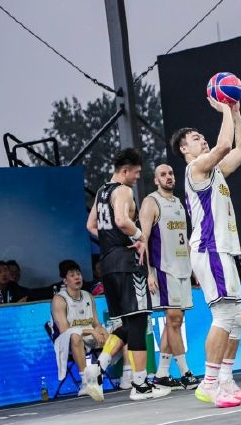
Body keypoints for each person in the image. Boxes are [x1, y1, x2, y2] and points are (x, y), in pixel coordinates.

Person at [171, 97, 241, 408]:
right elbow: (224, 144)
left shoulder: (215, 171)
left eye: (202, 136)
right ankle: (208, 383)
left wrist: (236, 114)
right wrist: (225, 110)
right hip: (209, 248)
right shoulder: (195, 168)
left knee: (237, 317)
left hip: (223, 249)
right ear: (184, 149)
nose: (202, 140)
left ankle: (226, 380)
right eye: (196, 139)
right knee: (223, 315)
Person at [85, 148, 170, 402]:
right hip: (126, 263)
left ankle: (97, 368)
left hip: (108, 264)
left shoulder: (101, 192)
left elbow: (91, 226)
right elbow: (122, 220)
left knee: (128, 324)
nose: (137, 177)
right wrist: (139, 237)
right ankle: (140, 385)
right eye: (136, 172)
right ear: (125, 171)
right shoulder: (122, 190)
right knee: (139, 322)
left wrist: (111, 242)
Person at [139, 163, 201, 391]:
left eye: (171, 173)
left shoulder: (179, 203)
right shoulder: (151, 202)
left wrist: (194, 269)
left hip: (183, 267)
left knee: (175, 321)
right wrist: (148, 273)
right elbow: (143, 240)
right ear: (156, 180)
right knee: (173, 318)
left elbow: (185, 238)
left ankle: (162, 374)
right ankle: (185, 373)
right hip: (165, 270)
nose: (168, 177)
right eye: (163, 175)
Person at [50, 260, 109, 399]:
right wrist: (92, 331)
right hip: (66, 341)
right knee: (75, 336)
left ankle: (123, 375)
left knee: (117, 333)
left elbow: (96, 323)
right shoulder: (59, 299)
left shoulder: (88, 296)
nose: (77, 277)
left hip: (89, 336)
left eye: (79, 274)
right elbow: (65, 331)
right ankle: (85, 382)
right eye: (72, 275)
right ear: (65, 281)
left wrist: (101, 330)